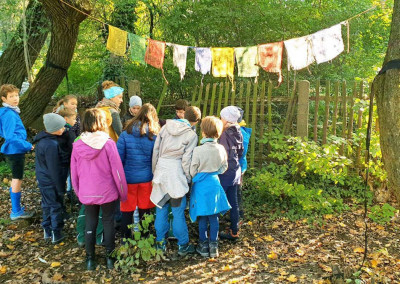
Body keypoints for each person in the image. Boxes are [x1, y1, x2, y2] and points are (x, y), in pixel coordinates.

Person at [70, 108, 127, 271]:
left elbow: (74, 172)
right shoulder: (108, 143)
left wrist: (79, 192)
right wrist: (123, 193)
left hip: (87, 191)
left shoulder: (77, 144)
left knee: (90, 222)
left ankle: (90, 260)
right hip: (107, 191)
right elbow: (117, 171)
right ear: (102, 122)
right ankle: (110, 258)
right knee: (108, 221)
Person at [151, 106, 201, 255]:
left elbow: (156, 151)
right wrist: (187, 178)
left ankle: (160, 243)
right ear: (196, 122)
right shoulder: (191, 135)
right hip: (177, 174)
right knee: (178, 212)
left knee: (161, 209)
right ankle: (183, 245)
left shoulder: (165, 127)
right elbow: (187, 161)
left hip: (161, 170)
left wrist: (155, 172)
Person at [189, 116, 230, 258]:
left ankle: (203, 245)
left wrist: (198, 176)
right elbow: (224, 167)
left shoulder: (198, 150)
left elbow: (192, 169)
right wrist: (214, 172)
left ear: (204, 132)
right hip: (214, 184)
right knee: (214, 216)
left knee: (202, 216)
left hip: (201, 186)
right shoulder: (221, 148)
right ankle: (214, 245)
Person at [117, 103, 159, 240]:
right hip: (147, 178)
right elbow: (156, 158)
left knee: (126, 211)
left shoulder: (125, 134)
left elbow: (119, 158)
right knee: (145, 209)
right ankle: (145, 237)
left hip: (128, 178)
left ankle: (126, 239)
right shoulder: (154, 136)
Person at [0, 84, 34, 220]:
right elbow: (9, 136)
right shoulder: (9, 114)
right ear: (4, 98)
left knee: (17, 178)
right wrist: (27, 145)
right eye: (11, 96)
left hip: (14, 149)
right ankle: (16, 211)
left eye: (16, 95)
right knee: (17, 179)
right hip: (15, 150)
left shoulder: (10, 111)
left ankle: (16, 208)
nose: (15, 99)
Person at [34, 113, 69, 243]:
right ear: (54, 129)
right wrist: (60, 187)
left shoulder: (42, 141)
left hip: (43, 179)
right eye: (61, 127)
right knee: (55, 205)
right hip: (51, 181)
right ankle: (56, 232)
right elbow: (54, 168)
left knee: (46, 205)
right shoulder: (51, 145)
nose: (64, 129)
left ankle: (47, 229)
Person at [218, 106, 244, 241]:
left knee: (217, 200)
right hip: (235, 170)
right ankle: (234, 230)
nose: (220, 119)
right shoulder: (238, 131)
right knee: (234, 202)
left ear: (227, 120)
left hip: (225, 171)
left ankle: (213, 232)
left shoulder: (224, 134)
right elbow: (240, 151)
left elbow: (222, 154)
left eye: (221, 117)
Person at [57, 108, 78, 215]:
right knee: (65, 182)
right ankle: (65, 206)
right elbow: (73, 146)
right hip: (67, 160)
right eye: (73, 119)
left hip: (61, 161)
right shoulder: (68, 132)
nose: (75, 121)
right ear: (66, 119)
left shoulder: (58, 131)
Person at [236, 107, 252, 224]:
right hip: (238, 165)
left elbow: (242, 152)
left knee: (237, 192)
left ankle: (238, 214)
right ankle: (236, 213)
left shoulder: (241, 132)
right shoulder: (238, 131)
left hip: (239, 166)